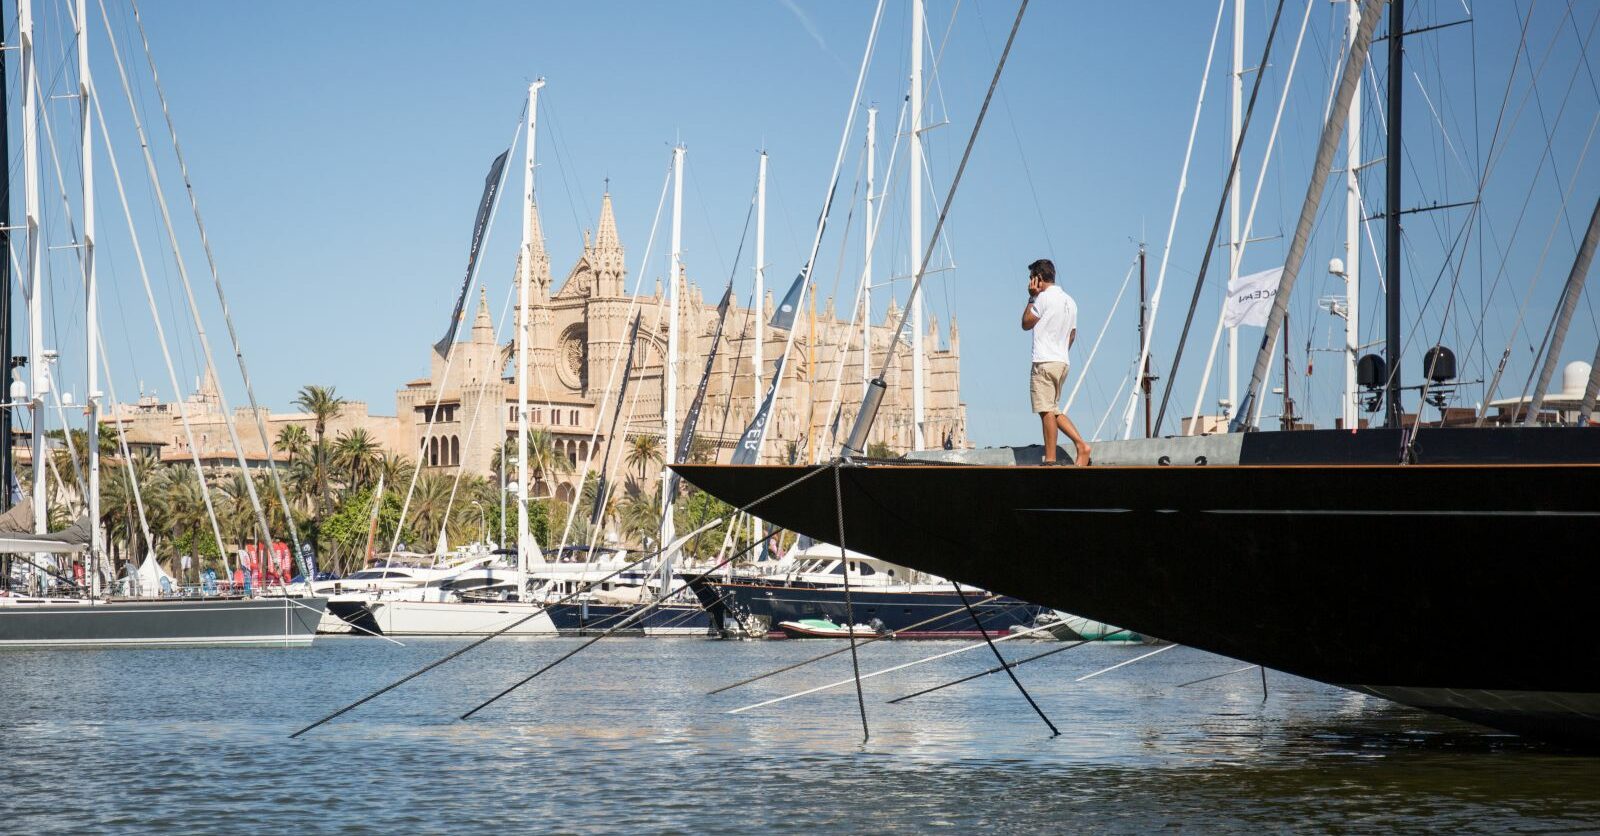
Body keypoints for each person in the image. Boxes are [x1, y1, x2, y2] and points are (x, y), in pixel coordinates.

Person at [1020, 258, 1091, 466]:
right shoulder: (1070, 301)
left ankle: (1050, 459)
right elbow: (1072, 334)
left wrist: (1031, 299)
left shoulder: (1042, 298)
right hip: (1062, 361)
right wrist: (1060, 352)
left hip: (1044, 361)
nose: (1030, 283)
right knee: (1053, 409)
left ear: (1038, 279)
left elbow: (1026, 323)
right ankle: (1081, 446)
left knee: (1046, 411)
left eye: (1032, 278)